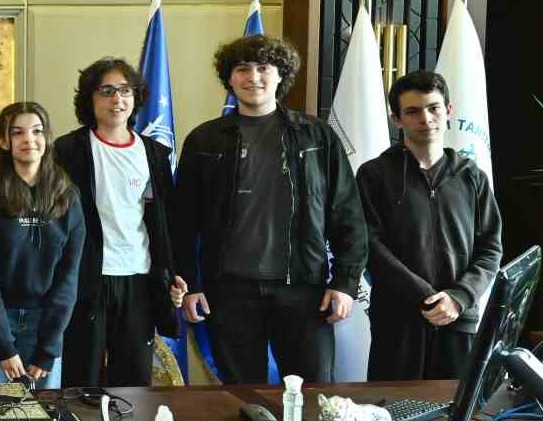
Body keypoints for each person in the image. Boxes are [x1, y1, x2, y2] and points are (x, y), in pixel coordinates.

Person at [172, 34, 367, 384]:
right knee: (242, 399)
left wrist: (345, 283)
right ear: (230, 79)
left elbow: (347, 214)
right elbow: (183, 220)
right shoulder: (204, 140)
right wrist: (191, 284)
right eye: (242, 69)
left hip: (304, 291)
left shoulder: (317, 136)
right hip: (229, 293)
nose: (253, 77)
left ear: (281, 75)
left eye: (263, 68)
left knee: (312, 394)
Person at [357, 70, 503, 381]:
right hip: (397, 320)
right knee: (391, 405)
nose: (426, 119)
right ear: (396, 119)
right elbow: (369, 245)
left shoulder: (472, 177)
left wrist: (459, 297)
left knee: (454, 406)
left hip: (458, 317)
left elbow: (491, 248)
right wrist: (424, 296)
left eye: (434, 108)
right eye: (412, 111)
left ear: (448, 110)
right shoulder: (374, 175)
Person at [52, 59, 181, 388]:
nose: (117, 99)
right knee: (81, 380)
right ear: (90, 99)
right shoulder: (67, 151)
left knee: (134, 382)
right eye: (106, 91)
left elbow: (164, 222)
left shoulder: (154, 154)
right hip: (87, 279)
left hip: (139, 278)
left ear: (136, 97)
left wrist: (173, 273)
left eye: (125, 91)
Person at [0, 102, 85, 391]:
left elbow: (68, 278)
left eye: (37, 131)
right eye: (17, 132)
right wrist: (3, 346)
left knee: (44, 410)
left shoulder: (67, 195)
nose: (29, 139)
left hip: (46, 321)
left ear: (47, 137)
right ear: (4, 141)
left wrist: (48, 348)